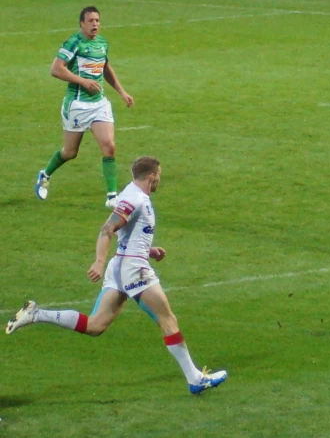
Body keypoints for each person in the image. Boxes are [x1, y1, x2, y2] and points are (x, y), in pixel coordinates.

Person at [8, 156, 227, 395]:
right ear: (152, 176)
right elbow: (107, 229)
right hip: (133, 269)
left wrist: (149, 250)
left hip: (122, 264)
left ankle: (36, 314)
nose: (159, 181)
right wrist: (99, 261)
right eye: (159, 177)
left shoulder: (132, 194)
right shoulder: (135, 199)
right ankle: (195, 378)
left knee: (95, 325)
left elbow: (128, 231)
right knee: (168, 319)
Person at [35, 6, 134, 209]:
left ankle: (112, 196)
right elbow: (55, 69)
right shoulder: (74, 43)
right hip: (77, 105)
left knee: (109, 146)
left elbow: (105, 68)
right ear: (81, 23)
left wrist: (121, 92)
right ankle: (45, 174)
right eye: (90, 21)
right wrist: (82, 81)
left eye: (97, 20)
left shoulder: (102, 43)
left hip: (99, 104)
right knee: (70, 152)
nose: (95, 24)